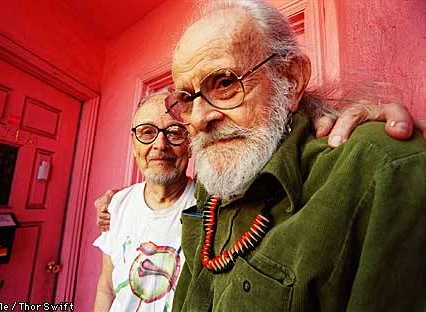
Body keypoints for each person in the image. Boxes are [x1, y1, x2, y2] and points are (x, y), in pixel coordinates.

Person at [160, 1, 425, 311]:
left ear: (292, 79)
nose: (198, 119)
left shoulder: (378, 168)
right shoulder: (216, 181)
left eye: (225, 83)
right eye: (186, 98)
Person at [93, 91, 196, 312]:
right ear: (134, 144)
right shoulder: (116, 204)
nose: (160, 144)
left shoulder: (212, 207)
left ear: (191, 143)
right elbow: (106, 287)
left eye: (175, 132)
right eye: (147, 132)